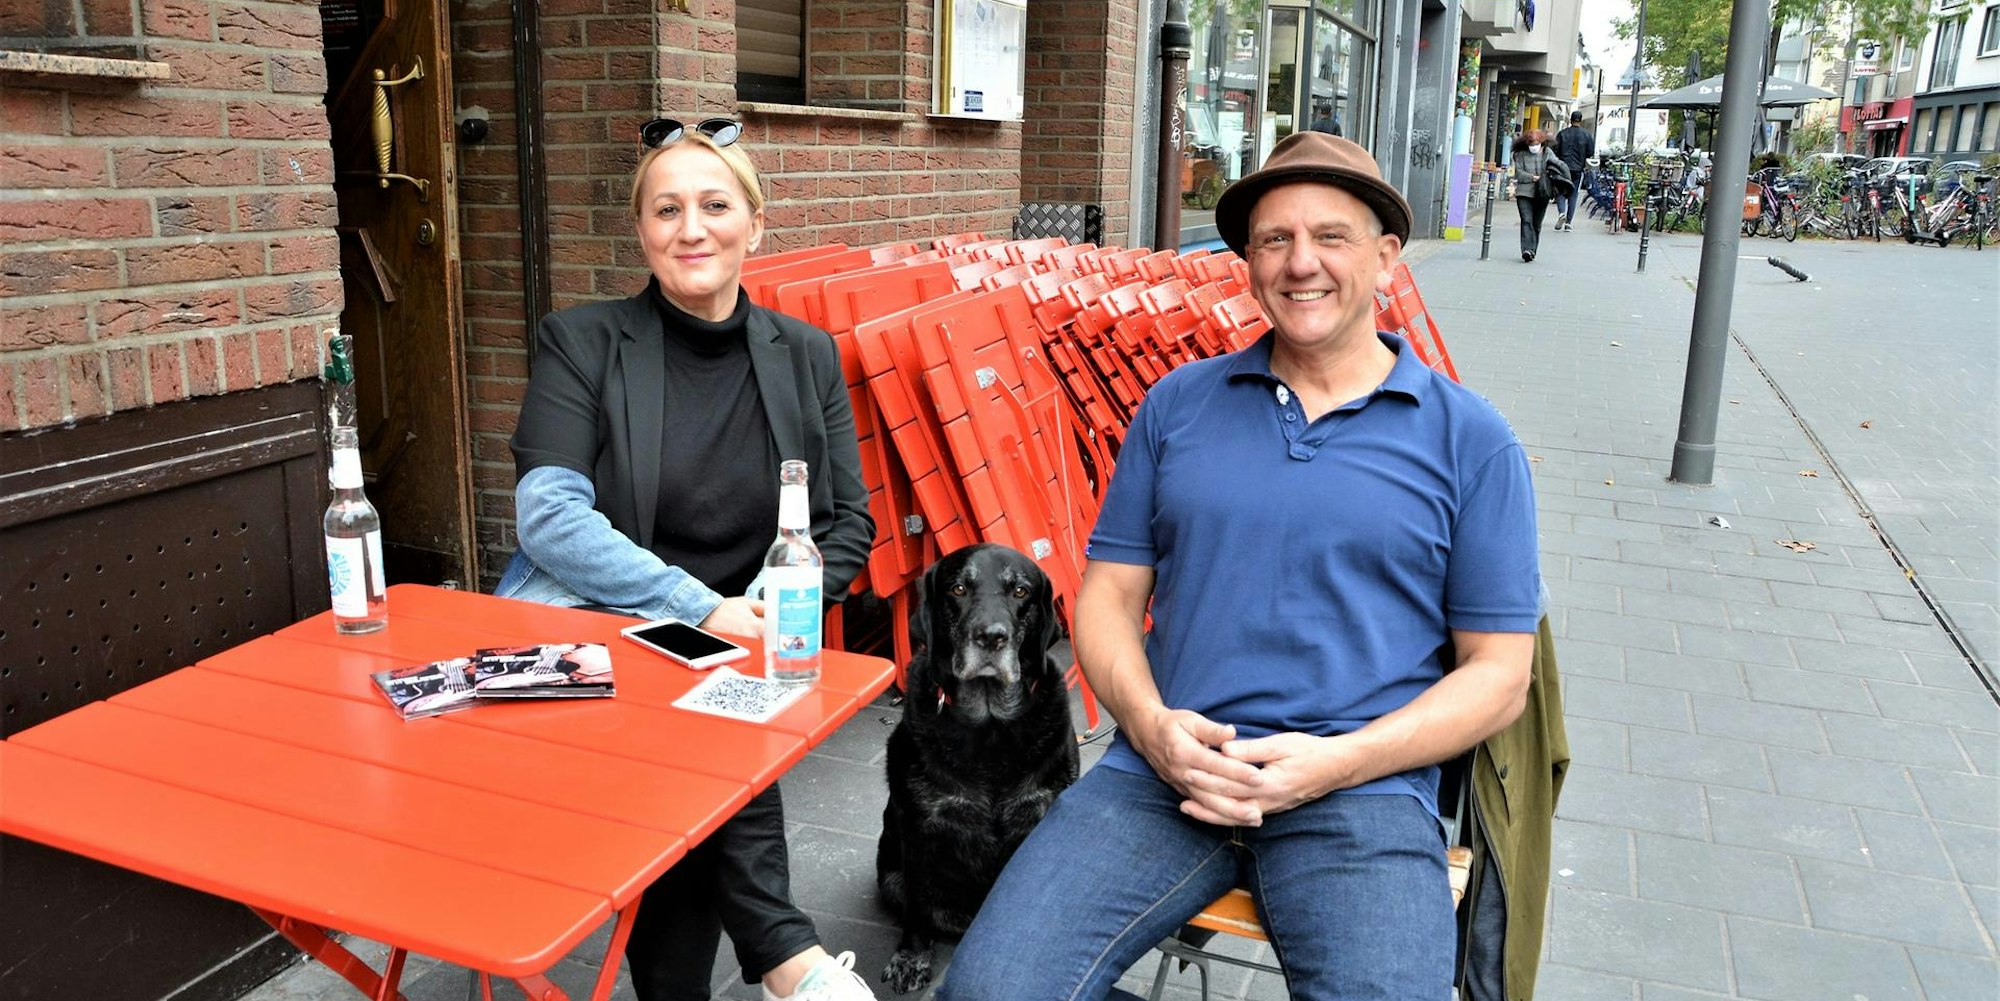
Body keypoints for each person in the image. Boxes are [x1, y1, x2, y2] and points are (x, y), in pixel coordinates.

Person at [937, 131, 1541, 1001]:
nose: (1302, 263)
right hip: (1165, 774)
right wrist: (1149, 725)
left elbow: (1500, 676)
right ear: (1248, 262)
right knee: (987, 993)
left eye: (1331, 236)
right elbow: (1105, 598)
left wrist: (1336, 763)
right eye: (1273, 240)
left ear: (1386, 254)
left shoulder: (1469, 439)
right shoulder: (1179, 405)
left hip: (1359, 794)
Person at [495, 116, 878, 1001]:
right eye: (666, 209)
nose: (690, 228)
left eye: (713, 205)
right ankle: (787, 954)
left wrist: (771, 604)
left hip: (736, 637)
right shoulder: (581, 341)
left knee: (705, 728)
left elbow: (847, 521)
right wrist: (702, 608)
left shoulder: (806, 354)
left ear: (754, 222)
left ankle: (711, 980)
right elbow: (549, 519)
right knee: (703, 725)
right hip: (609, 629)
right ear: (642, 231)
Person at [1510, 128, 1557, 261]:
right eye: (1531, 144)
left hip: (1542, 193)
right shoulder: (1520, 154)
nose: (1533, 147)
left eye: (1536, 144)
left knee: (1536, 223)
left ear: (1542, 142)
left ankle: (1532, 250)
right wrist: (1533, 178)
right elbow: (1518, 173)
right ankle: (1527, 249)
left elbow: (1555, 169)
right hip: (1524, 192)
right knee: (1526, 220)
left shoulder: (1548, 153)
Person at [1553, 111, 1595, 230]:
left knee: (1561, 191)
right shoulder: (1586, 135)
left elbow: (1555, 150)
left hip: (1562, 167)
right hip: (1578, 169)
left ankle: (1561, 213)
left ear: (1570, 120)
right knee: (1573, 193)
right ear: (1580, 120)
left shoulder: (1562, 134)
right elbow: (1590, 152)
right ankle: (1568, 223)